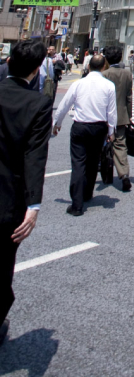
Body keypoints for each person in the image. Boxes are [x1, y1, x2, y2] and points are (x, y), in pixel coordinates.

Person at [0, 41, 53, 345]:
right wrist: (33, 204)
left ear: (8, 61)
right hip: (9, 200)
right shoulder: (37, 104)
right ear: (36, 71)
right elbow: (35, 155)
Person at [53, 55, 117, 216]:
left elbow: (64, 104)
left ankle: (77, 203)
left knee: (78, 162)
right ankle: (87, 193)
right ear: (103, 67)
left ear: (88, 67)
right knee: (93, 161)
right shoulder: (109, 85)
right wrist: (111, 131)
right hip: (99, 127)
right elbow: (111, 111)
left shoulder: (78, 84)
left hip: (80, 126)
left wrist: (57, 123)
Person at [102, 46, 133, 192]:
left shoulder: (105, 74)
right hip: (121, 114)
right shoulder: (127, 74)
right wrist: (129, 115)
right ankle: (124, 174)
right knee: (120, 144)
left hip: (104, 115)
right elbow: (129, 97)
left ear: (106, 59)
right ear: (121, 58)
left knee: (102, 144)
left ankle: (105, 171)